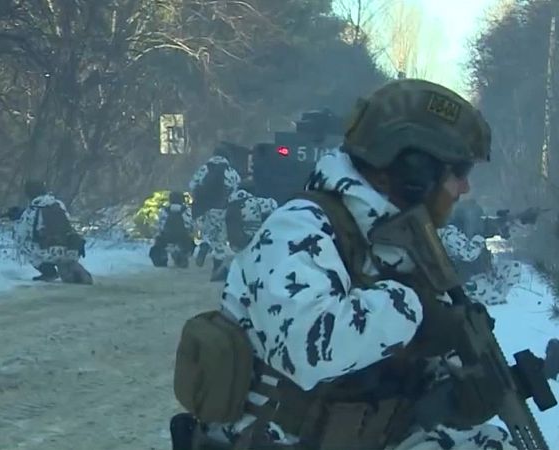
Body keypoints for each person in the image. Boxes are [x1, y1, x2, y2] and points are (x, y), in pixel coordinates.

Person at [172, 79, 515, 449]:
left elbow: (393, 373)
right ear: (415, 171)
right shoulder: (300, 228)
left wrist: (455, 394)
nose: (464, 188)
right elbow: (310, 351)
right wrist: (416, 311)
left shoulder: (402, 243)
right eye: (458, 171)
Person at [439, 198, 529, 305]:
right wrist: (480, 236)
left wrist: (511, 221)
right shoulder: (450, 232)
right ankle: (490, 298)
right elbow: (468, 254)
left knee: (514, 268)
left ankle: (496, 293)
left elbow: (489, 224)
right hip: (467, 281)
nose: (476, 220)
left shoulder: (470, 225)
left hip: (484, 272)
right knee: (491, 296)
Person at [13, 181, 92, 284]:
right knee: (64, 257)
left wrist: (17, 220)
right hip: (71, 248)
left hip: (47, 252)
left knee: (23, 245)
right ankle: (71, 266)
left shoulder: (31, 210)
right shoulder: (59, 204)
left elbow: (20, 235)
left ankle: (48, 272)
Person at [189, 144, 241, 278]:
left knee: (207, 231)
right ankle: (217, 270)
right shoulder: (230, 171)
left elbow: (192, 185)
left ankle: (205, 244)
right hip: (221, 208)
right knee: (220, 239)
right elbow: (236, 189)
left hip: (203, 207)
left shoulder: (205, 168)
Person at [150, 191, 195, 268]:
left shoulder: (165, 210)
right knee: (190, 243)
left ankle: (161, 258)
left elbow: (160, 225)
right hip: (182, 238)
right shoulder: (186, 210)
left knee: (158, 243)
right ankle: (183, 255)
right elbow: (190, 225)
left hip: (166, 237)